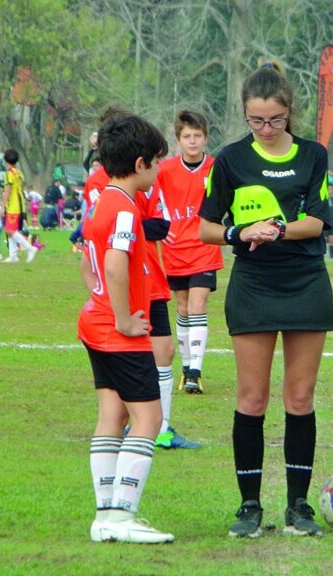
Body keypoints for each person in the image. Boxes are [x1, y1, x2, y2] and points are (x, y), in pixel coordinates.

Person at [199, 62, 333, 539]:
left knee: (299, 397)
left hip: (305, 283)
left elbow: (317, 221)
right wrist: (240, 231)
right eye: (257, 120)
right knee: (252, 398)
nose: (266, 129)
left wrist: (275, 229)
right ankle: (249, 506)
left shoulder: (314, 155)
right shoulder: (231, 159)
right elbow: (206, 226)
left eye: (274, 120)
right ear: (246, 115)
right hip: (253, 285)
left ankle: (299, 505)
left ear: (288, 113)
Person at [78, 111, 174, 544]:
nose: (158, 170)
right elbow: (115, 264)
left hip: (94, 325)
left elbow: (88, 261)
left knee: (111, 416)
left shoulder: (102, 201)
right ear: (140, 165)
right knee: (148, 418)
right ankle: (122, 516)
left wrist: (100, 302)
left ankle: (105, 517)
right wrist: (121, 317)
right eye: (156, 161)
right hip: (117, 331)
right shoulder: (124, 209)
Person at [157, 110, 223, 395]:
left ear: (206, 139)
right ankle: (186, 368)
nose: (193, 141)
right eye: (187, 136)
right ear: (178, 140)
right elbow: (151, 201)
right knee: (182, 307)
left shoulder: (217, 168)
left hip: (205, 247)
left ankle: (195, 371)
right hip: (174, 250)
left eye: (197, 136)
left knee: (198, 305)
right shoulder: (164, 170)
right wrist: (161, 227)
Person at [136, 165, 201, 450]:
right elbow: (102, 229)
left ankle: (159, 429)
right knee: (129, 356)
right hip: (128, 283)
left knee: (164, 352)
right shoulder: (103, 185)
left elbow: (161, 226)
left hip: (153, 280)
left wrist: (135, 225)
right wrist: (138, 225)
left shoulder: (146, 182)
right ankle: (134, 428)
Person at [1, 149, 37, 263]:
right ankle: (13, 256)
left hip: (13, 205)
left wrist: (2, 205)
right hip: (19, 204)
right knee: (11, 230)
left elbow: (8, 190)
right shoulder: (18, 172)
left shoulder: (9, 174)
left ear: (5, 160)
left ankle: (30, 248)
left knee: (9, 230)